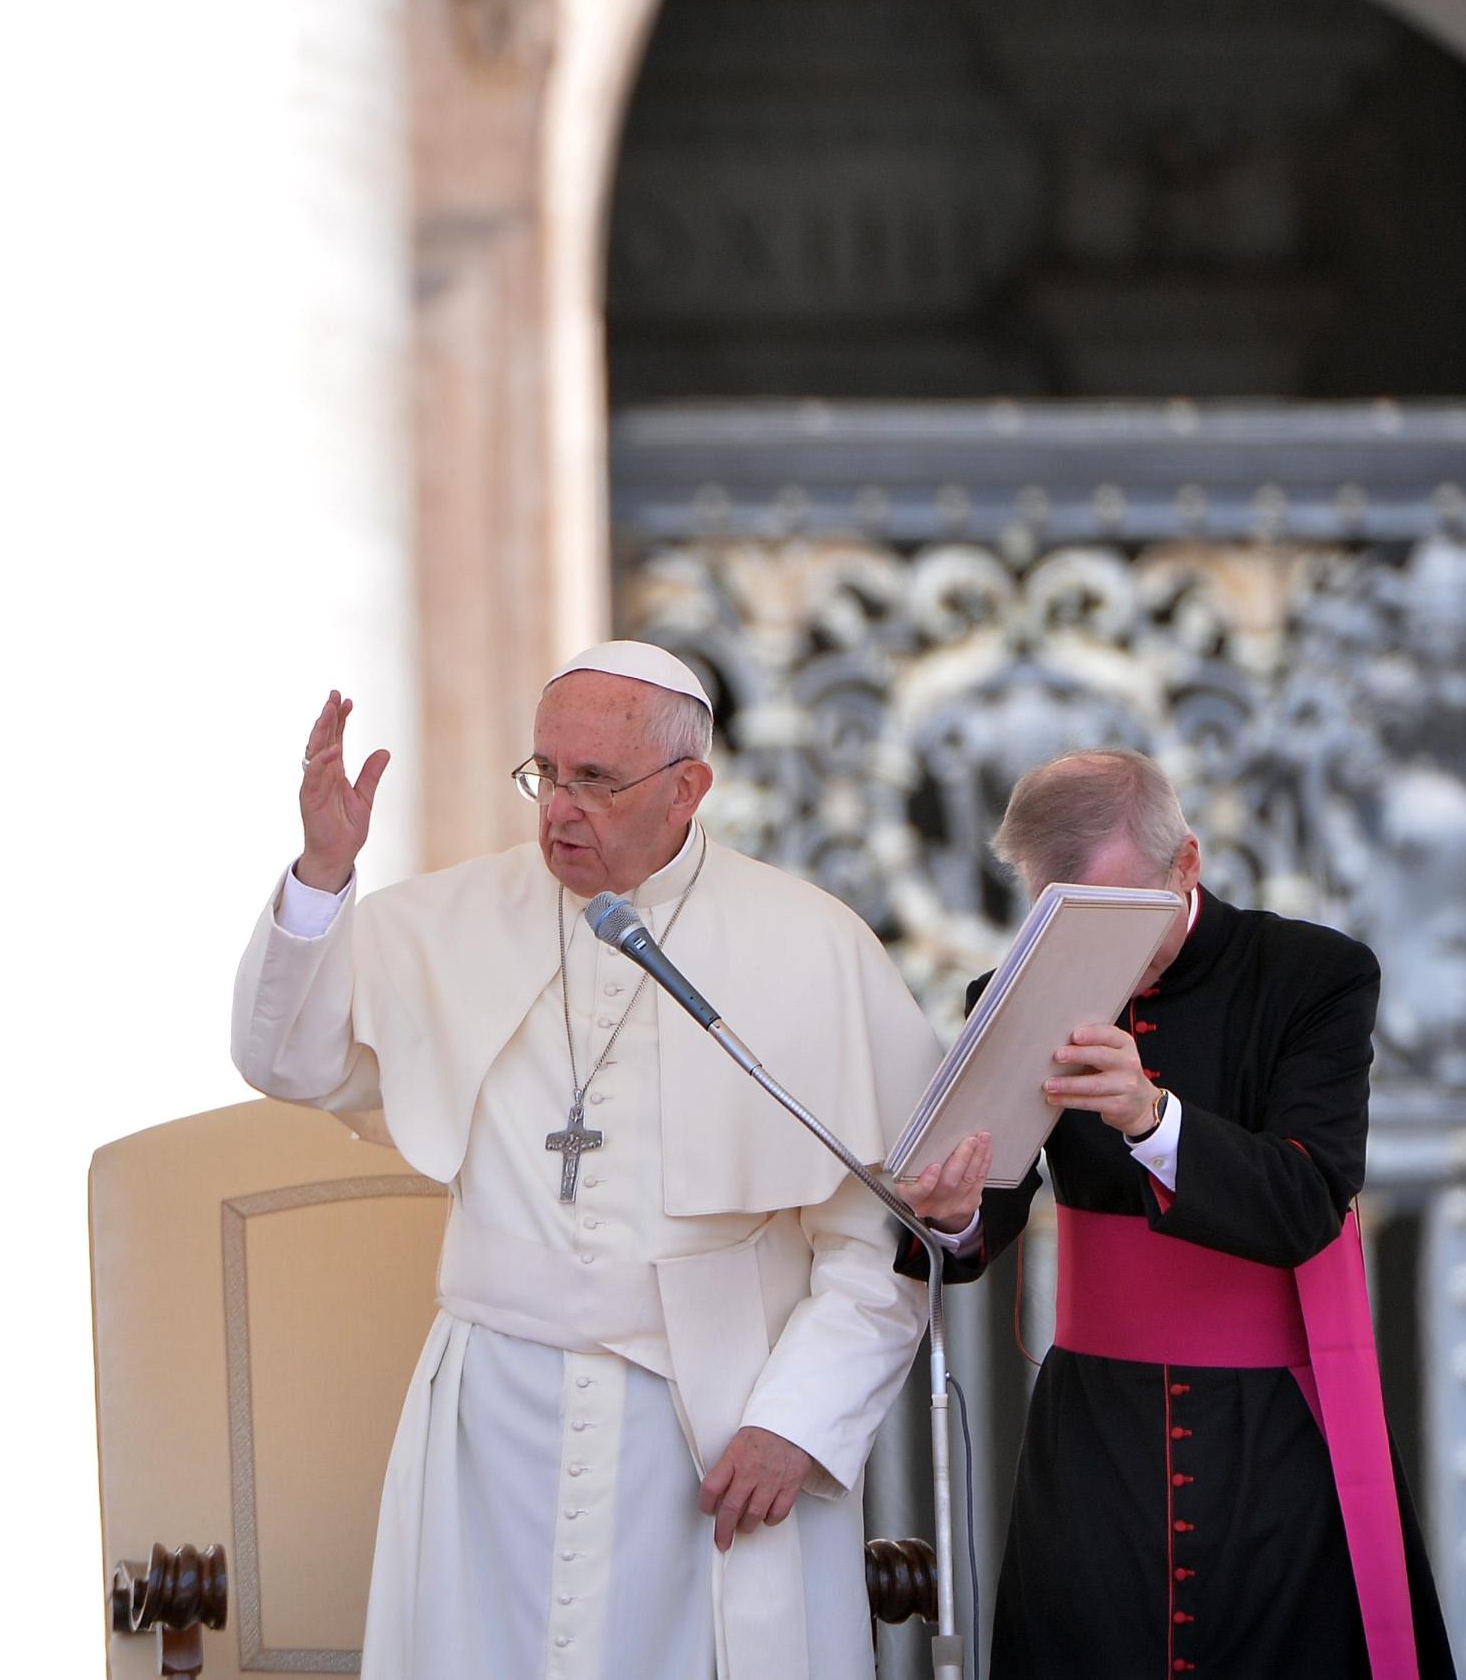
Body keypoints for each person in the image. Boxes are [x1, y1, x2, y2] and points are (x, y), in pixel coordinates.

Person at [235, 642, 946, 1680]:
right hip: (491, 1429)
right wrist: (322, 875)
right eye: (546, 773)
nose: (559, 810)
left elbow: (878, 1244)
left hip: (714, 1424)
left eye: (596, 780)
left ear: (686, 789)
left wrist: (799, 1420)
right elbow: (284, 1060)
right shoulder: (449, 922)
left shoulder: (813, 946)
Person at [900, 748, 1453, 1680]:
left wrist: (1152, 1120)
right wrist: (950, 1217)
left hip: (1272, 1434)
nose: (1091, 946)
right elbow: (982, 1217)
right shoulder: (1013, 993)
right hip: (1095, 1437)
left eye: (1119, 910)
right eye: (1059, 914)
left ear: (1185, 862)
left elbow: (1309, 1201)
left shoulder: (1313, 975)